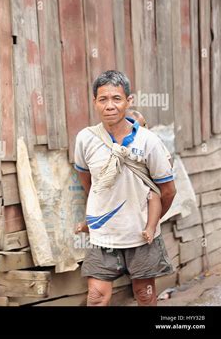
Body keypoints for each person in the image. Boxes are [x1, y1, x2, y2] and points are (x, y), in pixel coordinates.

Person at [73, 70, 176, 306]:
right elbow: (86, 180)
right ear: (94, 103)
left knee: (144, 295)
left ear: (129, 101)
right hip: (103, 235)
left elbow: (168, 191)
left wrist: (150, 222)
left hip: (140, 236)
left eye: (116, 99)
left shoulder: (148, 141)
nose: (110, 106)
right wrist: (100, 208)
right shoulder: (85, 139)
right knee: (96, 297)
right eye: (103, 99)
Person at [76, 108, 167, 245]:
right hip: (112, 194)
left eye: (140, 126)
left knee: (154, 197)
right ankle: (87, 225)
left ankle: (150, 227)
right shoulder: (99, 141)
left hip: (145, 189)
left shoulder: (150, 141)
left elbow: (166, 174)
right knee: (100, 201)